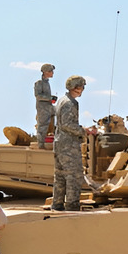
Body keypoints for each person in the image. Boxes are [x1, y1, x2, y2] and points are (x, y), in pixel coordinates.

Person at [51, 75, 90, 211]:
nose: (83, 89)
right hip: (69, 145)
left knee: (60, 176)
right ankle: (72, 206)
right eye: (82, 87)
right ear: (77, 87)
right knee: (73, 176)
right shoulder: (70, 103)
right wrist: (85, 131)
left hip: (60, 143)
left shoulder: (62, 100)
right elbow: (68, 124)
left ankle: (57, 205)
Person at [34, 63, 56, 149]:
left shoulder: (47, 83)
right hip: (42, 108)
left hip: (48, 107)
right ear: (45, 72)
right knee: (42, 126)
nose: (52, 73)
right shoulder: (39, 83)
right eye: (51, 71)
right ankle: (41, 145)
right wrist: (49, 98)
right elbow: (38, 96)